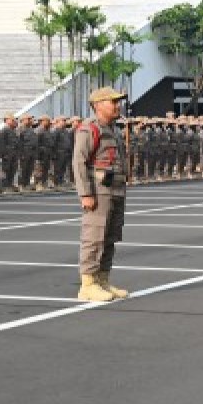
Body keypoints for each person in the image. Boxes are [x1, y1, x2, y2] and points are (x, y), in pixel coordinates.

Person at [73, 87, 131, 302]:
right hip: (99, 191)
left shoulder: (113, 129)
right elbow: (79, 163)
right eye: (112, 101)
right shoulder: (89, 129)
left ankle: (103, 280)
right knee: (94, 237)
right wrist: (85, 194)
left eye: (118, 102)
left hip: (115, 188)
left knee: (110, 237)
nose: (117, 105)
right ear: (97, 105)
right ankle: (87, 285)